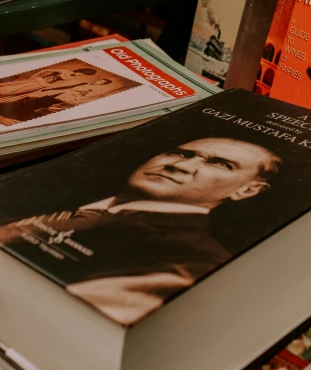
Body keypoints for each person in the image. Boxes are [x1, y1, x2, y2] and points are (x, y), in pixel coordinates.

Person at [0, 137, 282, 324]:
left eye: (220, 164)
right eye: (179, 152)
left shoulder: (193, 263)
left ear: (248, 189)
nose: (179, 165)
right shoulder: (42, 195)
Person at [0, 67, 98, 103]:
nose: (80, 75)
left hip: (43, 85)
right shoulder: (66, 71)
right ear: (81, 70)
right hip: (37, 81)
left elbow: (59, 84)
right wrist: (33, 77)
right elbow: (45, 70)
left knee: (18, 95)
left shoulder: (73, 77)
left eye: (82, 75)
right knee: (10, 89)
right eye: (81, 73)